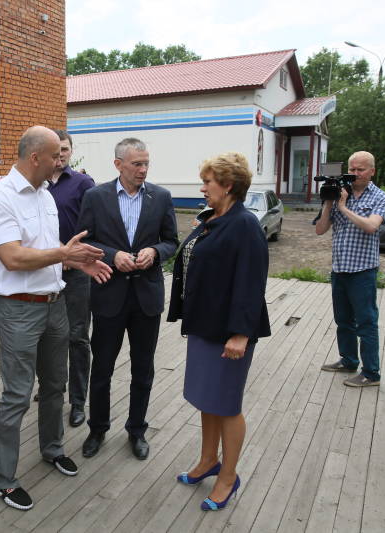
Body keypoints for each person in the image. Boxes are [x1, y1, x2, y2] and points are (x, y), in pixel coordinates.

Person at [0, 126, 112, 511]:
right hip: (18, 310)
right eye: (55, 155)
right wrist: (64, 254)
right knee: (17, 395)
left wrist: (75, 262)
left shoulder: (45, 196)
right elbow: (13, 257)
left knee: (55, 384)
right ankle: (4, 479)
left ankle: (52, 449)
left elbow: (49, 252)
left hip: (55, 303)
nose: (60, 161)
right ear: (35, 156)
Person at [166, 152, 270, 512]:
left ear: (227, 185)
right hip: (204, 326)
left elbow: (252, 282)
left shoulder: (245, 224)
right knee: (206, 399)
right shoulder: (213, 218)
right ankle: (208, 460)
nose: (202, 188)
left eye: (207, 182)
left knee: (226, 405)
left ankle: (228, 476)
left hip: (229, 332)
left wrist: (240, 334)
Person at [77, 138, 177, 461]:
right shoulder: (95, 197)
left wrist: (155, 252)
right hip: (109, 294)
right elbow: (84, 241)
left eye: (146, 163)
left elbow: (171, 241)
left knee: (143, 369)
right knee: (102, 368)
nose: (143, 170)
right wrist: (112, 255)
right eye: (137, 164)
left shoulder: (161, 197)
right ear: (118, 164)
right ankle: (97, 428)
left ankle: (137, 430)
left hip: (146, 297)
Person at [316, 151, 385, 387]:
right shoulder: (339, 193)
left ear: (372, 171)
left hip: (363, 271)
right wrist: (329, 203)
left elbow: (371, 226)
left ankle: (371, 374)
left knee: (366, 322)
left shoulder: (380, 197)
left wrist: (344, 207)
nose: (355, 173)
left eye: (360, 169)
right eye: (352, 169)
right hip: (340, 269)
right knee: (343, 320)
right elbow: (320, 230)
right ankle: (348, 361)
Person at [48, 129, 95, 427]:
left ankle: (78, 401)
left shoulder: (82, 183)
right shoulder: (37, 183)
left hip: (76, 272)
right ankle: (53, 386)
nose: (61, 154)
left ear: (70, 151)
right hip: (44, 271)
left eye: (65, 149)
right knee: (50, 335)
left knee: (77, 336)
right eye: (56, 150)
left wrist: (71, 255)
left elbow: (93, 225)